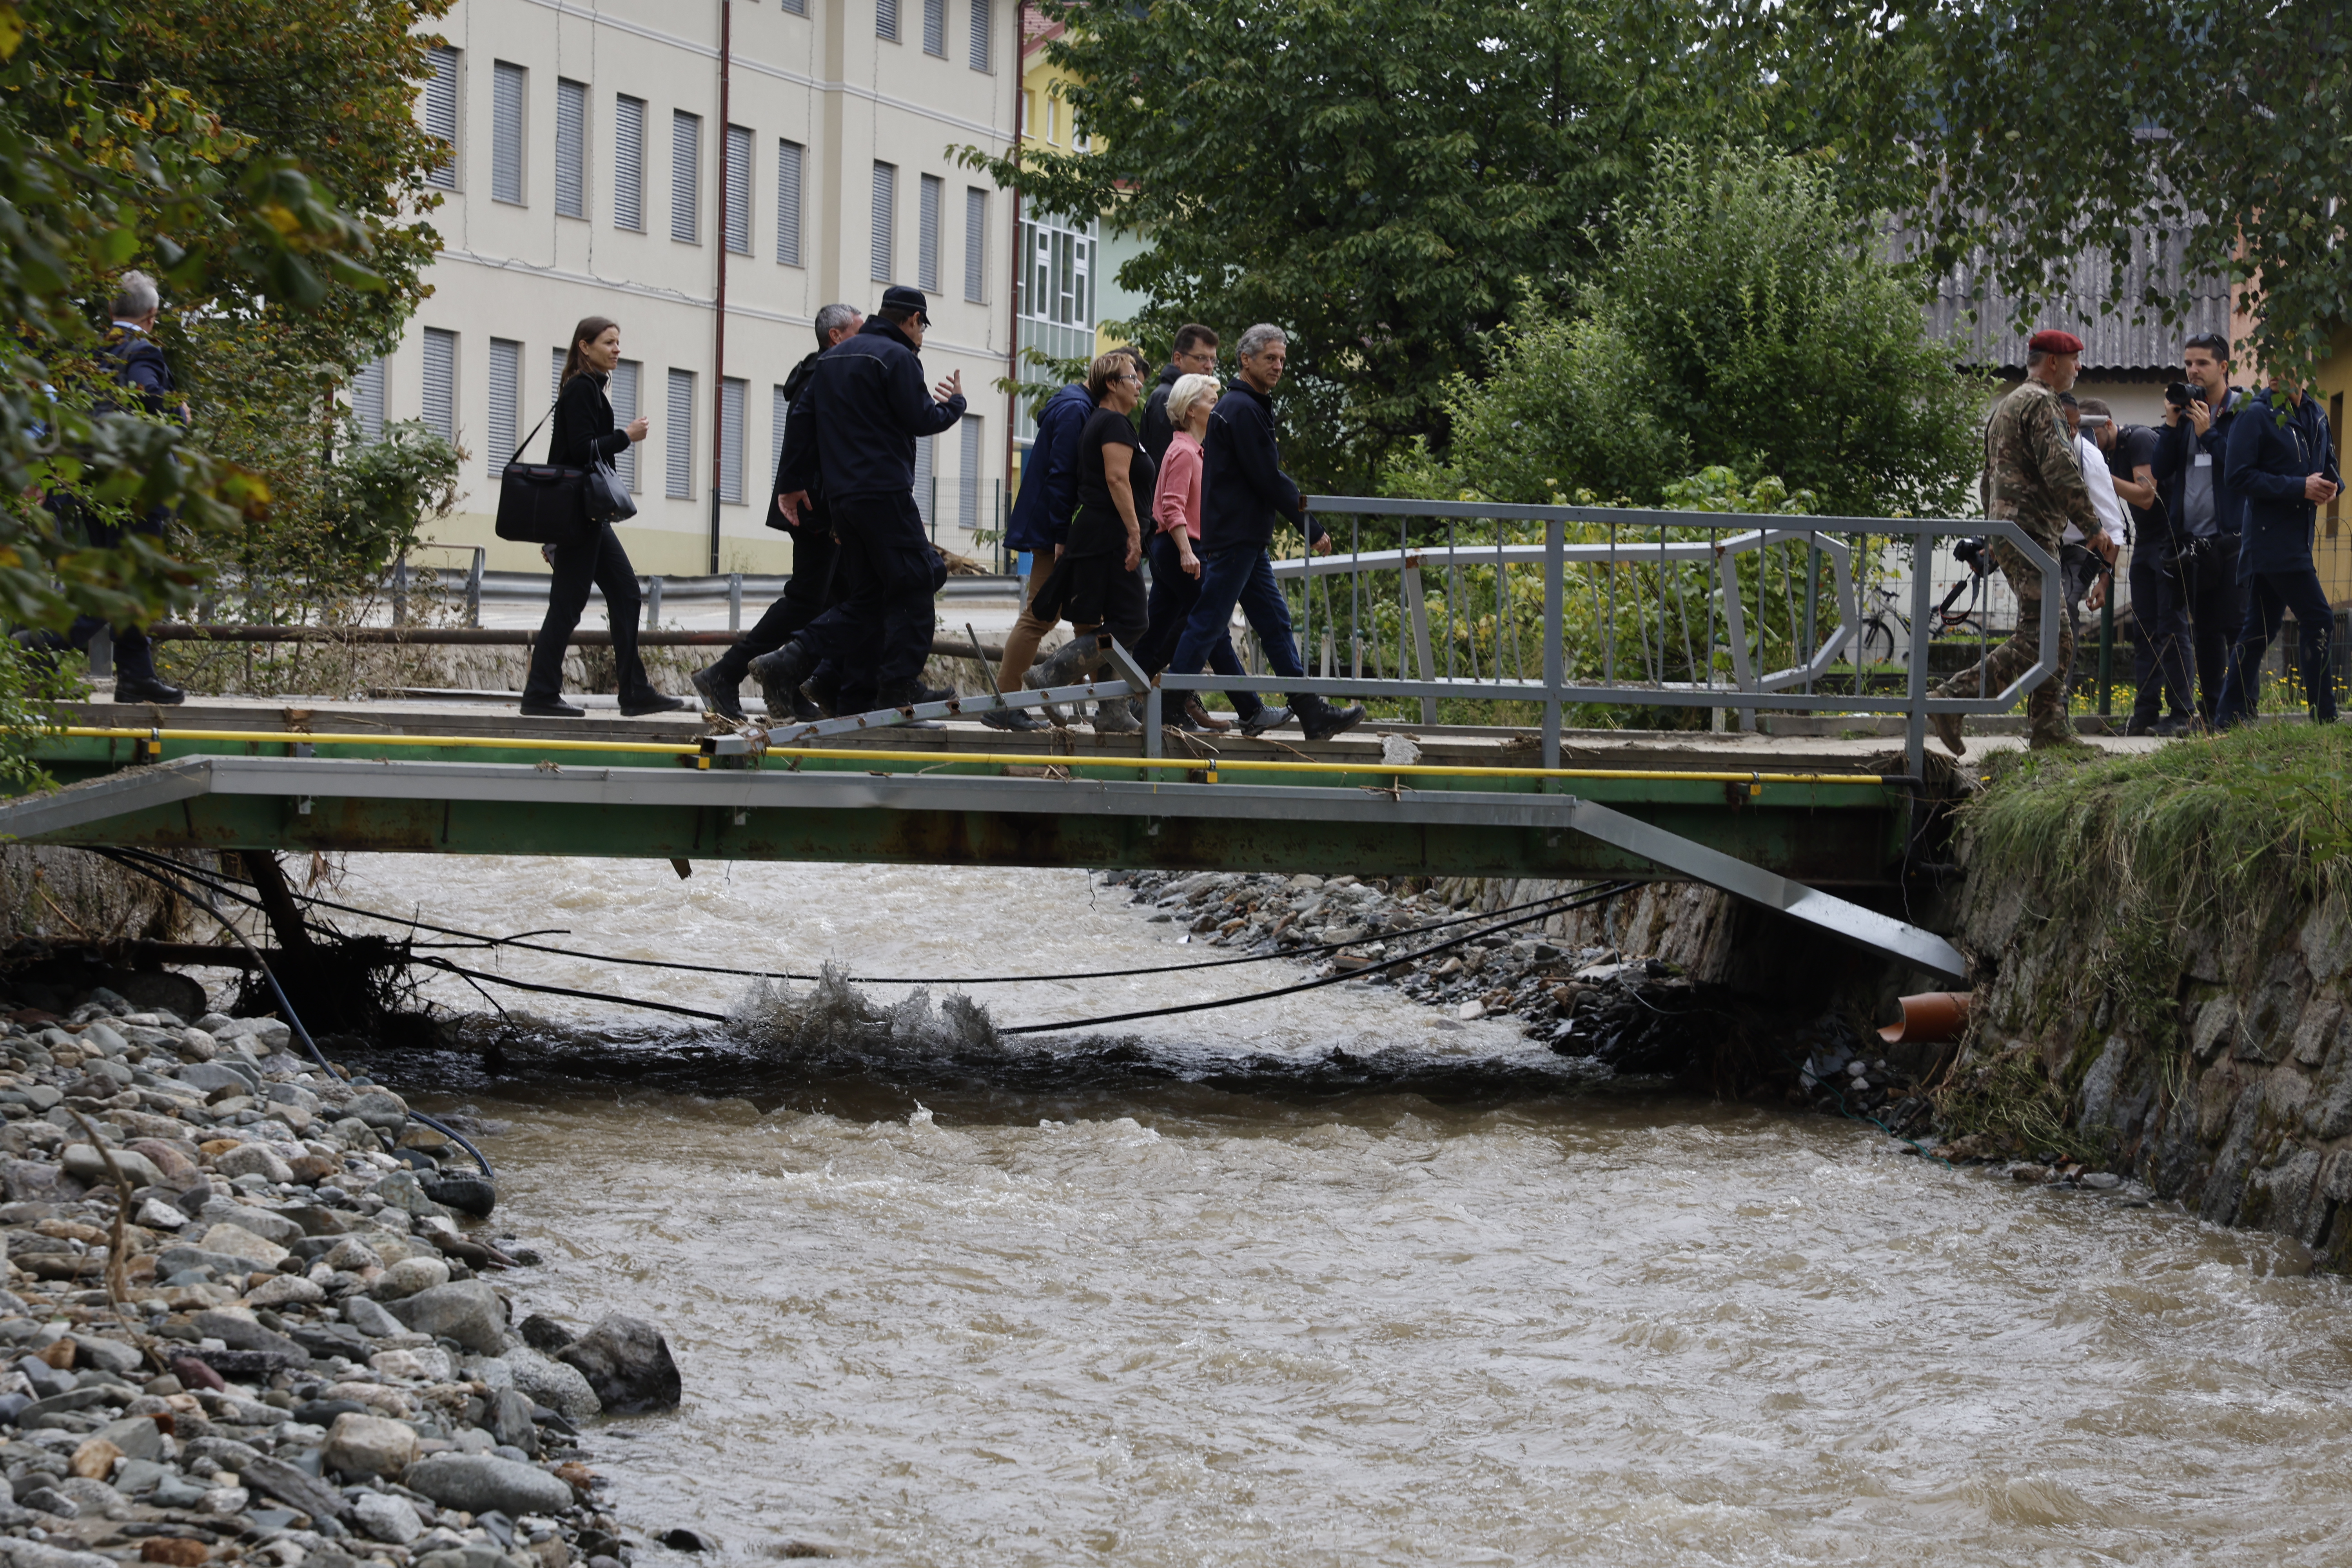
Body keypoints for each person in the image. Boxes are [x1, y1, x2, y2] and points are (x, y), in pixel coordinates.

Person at [749, 285, 964, 717]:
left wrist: (790, 482)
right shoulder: (898, 357)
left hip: (844, 501)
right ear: (912, 320)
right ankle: (898, 687)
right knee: (918, 580)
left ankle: (791, 661)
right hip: (885, 493)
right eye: (922, 326)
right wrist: (956, 404)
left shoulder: (829, 361)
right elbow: (922, 417)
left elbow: (802, 421)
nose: (921, 335)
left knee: (868, 597)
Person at [1163, 324, 1365, 742]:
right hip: (1237, 537)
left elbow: (1260, 477)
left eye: (1282, 360)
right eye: (1270, 358)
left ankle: (1311, 712)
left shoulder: (1244, 406)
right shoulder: (1242, 409)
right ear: (1246, 360)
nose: (1278, 366)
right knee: (1207, 623)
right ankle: (1166, 709)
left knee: (1273, 623)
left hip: (1245, 537)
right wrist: (1309, 525)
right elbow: (1267, 479)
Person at [1926, 329, 2098, 756]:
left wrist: (1995, 532)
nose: (2079, 368)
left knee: (2051, 636)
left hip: (2015, 531)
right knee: (2045, 636)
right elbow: (2060, 469)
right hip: (2031, 532)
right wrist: (2093, 527)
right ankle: (1952, 699)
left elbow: (1990, 479)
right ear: (2054, 362)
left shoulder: (2006, 405)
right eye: (2075, 360)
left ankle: (2047, 728)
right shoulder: (2042, 403)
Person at [689, 303, 863, 723]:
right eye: (860, 330)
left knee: (841, 599)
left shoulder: (823, 372)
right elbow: (806, 443)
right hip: (814, 507)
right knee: (806, 600)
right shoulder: (823, 374)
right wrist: (813, 498)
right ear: (836, 336)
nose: (869, 339)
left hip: (821, 503)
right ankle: (724, 674)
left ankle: (801, 683)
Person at [23, 272, 191, 704]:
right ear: (152, 316)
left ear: (111, 311)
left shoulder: (88, 353)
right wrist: (178, 414)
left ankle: (136, 677)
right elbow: (148, 398)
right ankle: (32, 646)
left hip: (89, 486)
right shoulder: (144, 351)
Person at [519, 317, 683, 718]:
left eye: (618, 343)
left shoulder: (592, 388)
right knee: (568, 604)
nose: (616, 350)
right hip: (578, 516)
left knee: (626, 593)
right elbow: (579, 451)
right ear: (584, 347)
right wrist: (626, 436)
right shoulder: (580, 390)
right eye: (608, 342)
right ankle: (541, 693)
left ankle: (634, 691)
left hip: (589, 515)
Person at [1017, 352, 1157, 733]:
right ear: (1112, 384)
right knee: (1133, 620)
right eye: (1132, 377)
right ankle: (1051, 672)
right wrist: (1133, 532)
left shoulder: (1108, 422)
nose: (1139, 383)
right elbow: (1116, 480)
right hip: (1107, 536)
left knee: (1114, 622)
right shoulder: (1112, 423)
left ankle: (1111, 711)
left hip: (1101, 534)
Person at [2212, 376, 2341, 728]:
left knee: (2259, 630)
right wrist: (2300, 487)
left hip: (2298, 538)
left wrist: (2331, 486)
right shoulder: (2255, 414)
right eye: (2273, 358)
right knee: (2319, 619)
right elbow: (2237, 477)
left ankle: (2227, 716)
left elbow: (2328, 464)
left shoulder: (2315, 412)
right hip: (2270, 540)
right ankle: (2324, 716)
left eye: (2288, 356)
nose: (2277, 369)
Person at [1134, 371, 1243, 732]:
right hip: (1181, 548)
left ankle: (1132, 698)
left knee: (1159, 629)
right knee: (1210, 626)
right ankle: (1247, 705)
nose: (1218, 407)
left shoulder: (1196, 450)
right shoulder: (1182, 451)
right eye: (1212, 401)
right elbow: (1171, 507)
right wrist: (1186, 551)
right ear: (1191, 409)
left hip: (1181, 548)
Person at [985, 375, 1094, 730]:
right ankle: (1006, 701)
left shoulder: (1076, 405)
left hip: (1057, 529)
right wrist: (1063, 533)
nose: (1137, 388)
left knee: (1089, 621)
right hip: (1055, 531)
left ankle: (1100, 704)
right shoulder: (1077, 409)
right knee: (1039, 617)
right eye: (1133, 380)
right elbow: (1063, 475)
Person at [2151, 332, 2248, 721]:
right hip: (2193, 544)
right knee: (2204, 630)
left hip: (2232, 540)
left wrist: (2210, 435)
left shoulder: (2243, 411)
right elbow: (2160, 470)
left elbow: (2243, 469)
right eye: (2189, 363)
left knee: (2236, 627)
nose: (2193, 370)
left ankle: (2241, 710)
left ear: (2223, 367)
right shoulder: (2185, 412)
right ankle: (2210, 712)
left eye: (2202, 363)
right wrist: (2174, 425)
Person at [2058, 393, 2127, 648]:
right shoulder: (2026, 450)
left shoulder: (2089, 458)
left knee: (2062, 608)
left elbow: (2113, 527)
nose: (2074, 433)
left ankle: (2058, 687)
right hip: (2042, 544)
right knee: (2035, 612)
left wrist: (2104, 578)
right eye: (2067, 427)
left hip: (2081, 548)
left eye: (2078, 427)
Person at [1138, 325, 1220, 471]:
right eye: (1202, 358)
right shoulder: (1168, 398)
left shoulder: (1181, 395)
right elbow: (1167, 465)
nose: (1209, 366)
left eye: (1213, 360)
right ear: (1178, 359)